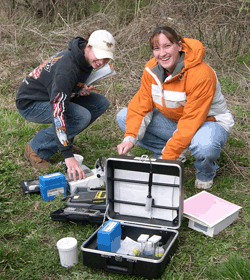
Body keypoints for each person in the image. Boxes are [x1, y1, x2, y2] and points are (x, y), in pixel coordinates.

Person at [116, 26, 234, 189]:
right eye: (156, 48)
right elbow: (141, 105)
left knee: (205, 146)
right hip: (176, 121)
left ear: (179, 46)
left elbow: (191, 121)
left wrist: (167, 158)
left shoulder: (201, 75)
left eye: (167, 46)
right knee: (124, 116)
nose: (162, 53)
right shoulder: (151, 70)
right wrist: (129, 138)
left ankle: (205, 172)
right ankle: (170, 152)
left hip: (209, 122)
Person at [16, 30, 115, 181]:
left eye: (106, 58)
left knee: (100, 103)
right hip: (31, 102)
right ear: (88, 46)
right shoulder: (67, 68)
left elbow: (63, 90)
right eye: (99, 55)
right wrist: (67, 155)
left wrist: (78, 90)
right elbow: (58, 108)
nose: (101, 62)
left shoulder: (84, 58)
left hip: (50, 95)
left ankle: (62, 140)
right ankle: (36, 148)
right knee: (80, 116)